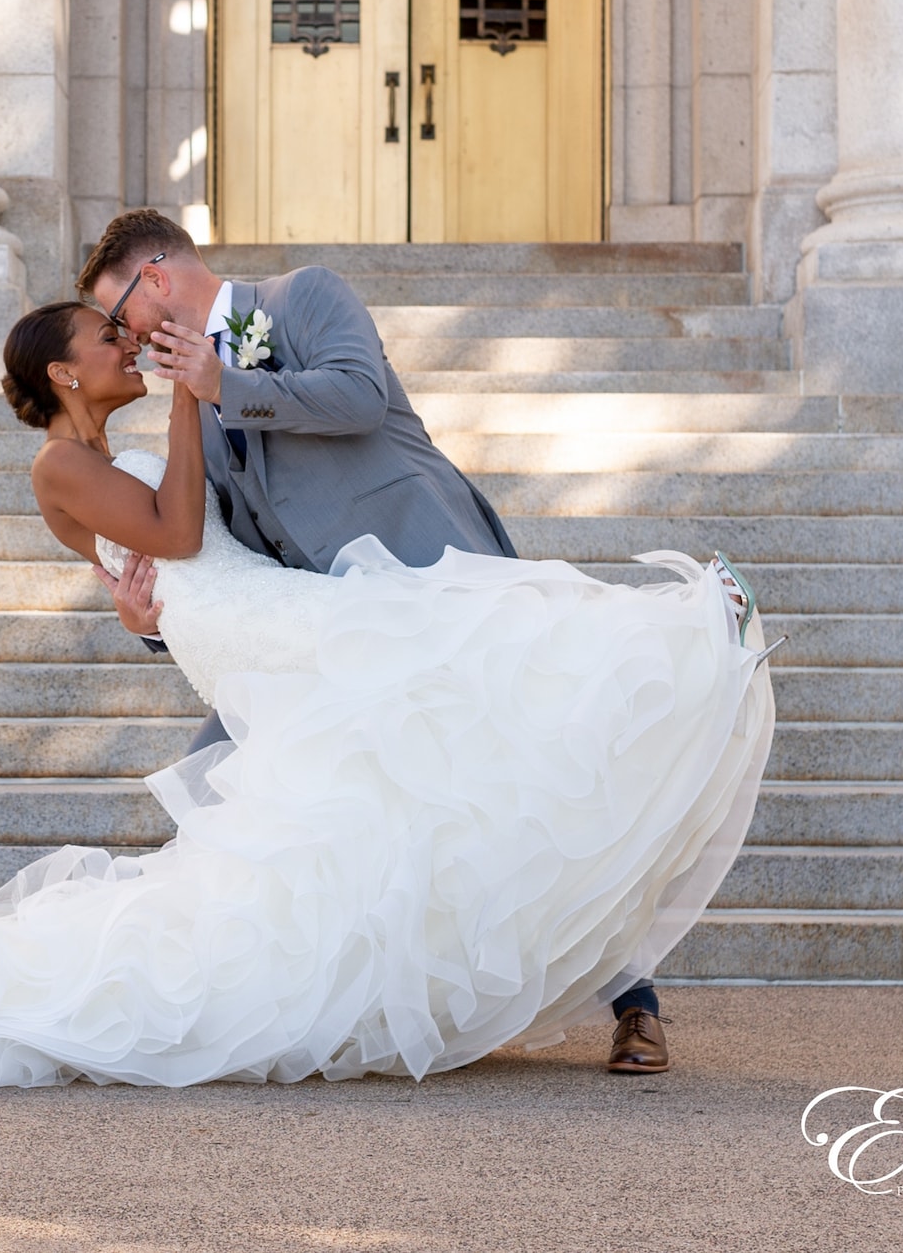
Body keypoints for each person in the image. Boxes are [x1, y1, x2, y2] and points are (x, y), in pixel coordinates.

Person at [0, 286, 778, 1090]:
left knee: (426, 717)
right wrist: (197, 398)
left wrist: (194, 407)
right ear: (67, 375)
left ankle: (674, 647)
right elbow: (181, 533)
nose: (122, 345)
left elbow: (185, 540)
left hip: (251, 612)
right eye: (103, 339)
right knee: (442, 674)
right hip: (245, 620)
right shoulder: (59, 467)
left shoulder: (100, 448)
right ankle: (676, 635)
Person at [80, 210, 675, 1072]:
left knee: (523, 786)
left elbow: (359, 396)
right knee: (222, 784)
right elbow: (233, 560)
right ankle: (215, 999)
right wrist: (154, 624)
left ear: (159, 278)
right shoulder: (192, 409)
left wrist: (225, 384)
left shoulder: (304, 297)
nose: (125, 338)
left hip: (439, 580)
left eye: (122, 312)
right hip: (335, 629)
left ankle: (636, 1002)